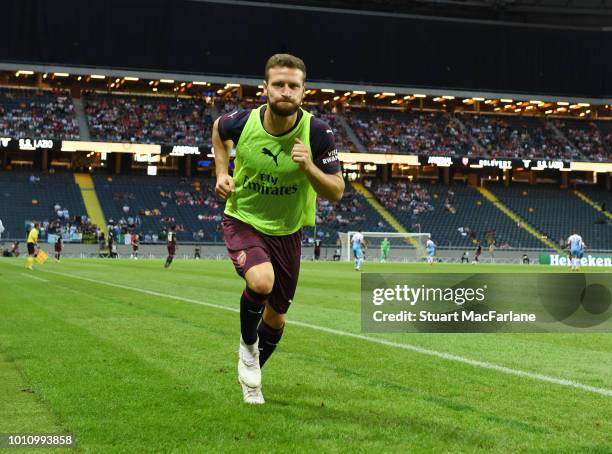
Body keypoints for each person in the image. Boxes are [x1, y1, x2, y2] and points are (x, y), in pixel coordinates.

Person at [213, 54, 344, 404]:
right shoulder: (241, 122)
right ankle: (247, 346)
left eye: (293, 86)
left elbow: (336, 190)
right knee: (261, 282)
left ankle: (252, 378)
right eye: (279, 84)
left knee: (277, 317)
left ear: (304, 92)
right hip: (244, 219)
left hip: (288, 231)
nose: (286, 91)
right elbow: (218, 131)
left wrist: (310, 168)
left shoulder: (318, 133)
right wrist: (221, 173)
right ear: (265, 88)